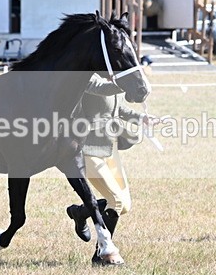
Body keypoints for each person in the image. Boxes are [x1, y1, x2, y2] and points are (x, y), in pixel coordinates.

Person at [66, 73, 158, 263]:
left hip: (110, 148)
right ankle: (102, 254)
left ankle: (81, 212)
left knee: (124, 205)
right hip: (88, 148)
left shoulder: (113, 77)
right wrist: (130, 84)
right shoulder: (85, 75)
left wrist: (141, 117)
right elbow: (102, 89)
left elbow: (118, 108)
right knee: (114, 200)